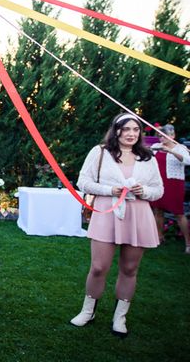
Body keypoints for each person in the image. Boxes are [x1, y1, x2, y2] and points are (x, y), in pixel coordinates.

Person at [70, 113, 163, 337]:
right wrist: (110, 190)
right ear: (116, 130)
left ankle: (120, 317)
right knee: (99, 266)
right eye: (126, 129)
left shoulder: (148, 157)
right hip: (108, 213)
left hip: (137, 215)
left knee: (130, 269)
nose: (131, 134)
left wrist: (145, 191)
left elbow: (158, 190)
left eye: (136, 130)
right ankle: (88, 311)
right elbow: (83, 181)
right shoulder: (100, 152)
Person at [149, 124, 190, 252]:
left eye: (164, 135)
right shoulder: (156, 147)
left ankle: (188, 244)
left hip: (174, 183)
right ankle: (159, 238)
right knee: (158, 210)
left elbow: (188, 161)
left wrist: (171, 151)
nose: (161, 138)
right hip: (158, 182)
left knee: (179, 213)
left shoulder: (180, 148)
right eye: (160, 136)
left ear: (173, 135)